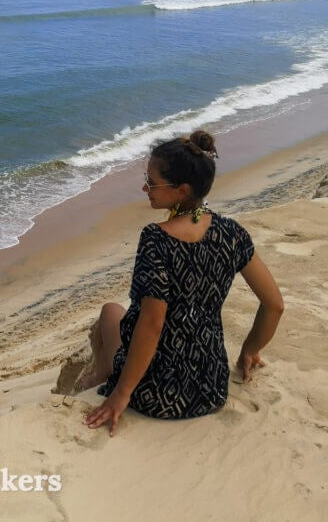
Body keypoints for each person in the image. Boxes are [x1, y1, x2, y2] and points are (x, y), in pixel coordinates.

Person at [81, 129, 284, 436]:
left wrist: (121, 394)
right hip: (211, 390)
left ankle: (102, 376)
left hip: (155, 396)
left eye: (152, 182)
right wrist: (249, 349)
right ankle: (103, 373)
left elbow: (153, 325)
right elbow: (274, 305)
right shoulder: (232, 233)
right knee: (118, 317)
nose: (145, 187)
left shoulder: (156, 239)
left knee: (110, 312)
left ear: (181, 190)